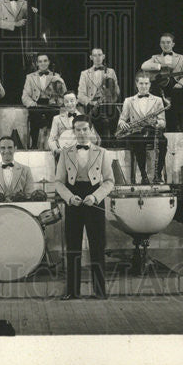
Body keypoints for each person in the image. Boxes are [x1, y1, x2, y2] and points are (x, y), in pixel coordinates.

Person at [54, 116, 114, 300]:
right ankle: (72, 291)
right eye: (78, 130)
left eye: (85, 129)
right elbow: (58, 182)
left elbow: (110, 181)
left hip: (94, 197)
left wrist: (95, 197)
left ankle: (100, 291)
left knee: (97, 245)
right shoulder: (65, 153)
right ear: (73, 131)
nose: (81, 133)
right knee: (73, 246)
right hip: (74, 198)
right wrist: (69, 198)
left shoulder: (102, 152)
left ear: (91, 130)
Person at [117, 72, 168, 183]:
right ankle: (143, 175)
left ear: (150, 85)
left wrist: (155, 122)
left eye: (146, 83)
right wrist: (122, 124)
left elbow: (163, 122)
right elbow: (121, 120)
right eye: (141, 83)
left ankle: (158, 175)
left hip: (152, 130)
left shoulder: (158, 100)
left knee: (163, 141)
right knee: (138, 141)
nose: (144, 86)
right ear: (136, 84)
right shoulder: (129, 101)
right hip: (136, 131)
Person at [0, 0, 37, 97]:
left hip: (20, 41)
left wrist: (33, 11)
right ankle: (5, 97)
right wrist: (15, 24)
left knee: (20, 69)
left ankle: (20, 96)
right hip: (5, 40)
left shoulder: (25, 3)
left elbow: (31, 19)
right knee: (6, 68)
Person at [140, 33, 183, 131]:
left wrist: (180, 85)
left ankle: (176, 128)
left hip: (176, 87)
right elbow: (144, 66)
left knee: (179, 98)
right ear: (160, 44)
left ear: (173, 44)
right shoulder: (155, 58)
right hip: (160, 87)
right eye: (163, 42)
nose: (165, 45)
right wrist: (159, 66)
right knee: (153, 96)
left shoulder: (181, 58)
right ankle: (155, 129)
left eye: (168, 42)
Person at [20, 53, 66, 151]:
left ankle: (53, 144)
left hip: (51, 104)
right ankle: (34, 145)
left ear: (49, 62)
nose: (43, 63)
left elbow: (64, 94)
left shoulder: (55, 75)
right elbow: (25, 96)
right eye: (40, 61)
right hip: (36, 103)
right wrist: (32, 103)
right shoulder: (30, 77)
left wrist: (61, 81)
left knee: (54, 117)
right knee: (34, 116)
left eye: (45, 61)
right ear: (37, 63)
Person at [76, 48, 121, 142]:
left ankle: (112, 142)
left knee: (114, 117)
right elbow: (80, 95)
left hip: (108, 105)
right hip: (92, 107)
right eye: (95, 55)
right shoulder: (84, 74)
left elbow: (117, 92)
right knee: (100, 121)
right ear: (91, 57)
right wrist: (91, 102)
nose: (97, 58)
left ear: (103, 56)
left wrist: (109, 86)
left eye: (99, 55)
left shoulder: (111, 72)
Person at [47, 92, 100, 156]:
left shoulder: (85, 118)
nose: (69, 104)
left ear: (76, 101)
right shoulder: (57, 119)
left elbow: (94, 140)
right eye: (66, 101)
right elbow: (51, 139)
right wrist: (56, 150)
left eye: (72, 101)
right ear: (63, 103)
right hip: (62, 155)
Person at [0, 135, 36, 199]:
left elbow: (30, 194)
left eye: (10, 147)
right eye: (3, 148)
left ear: (15, 149)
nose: (6, 151)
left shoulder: (26, 170)